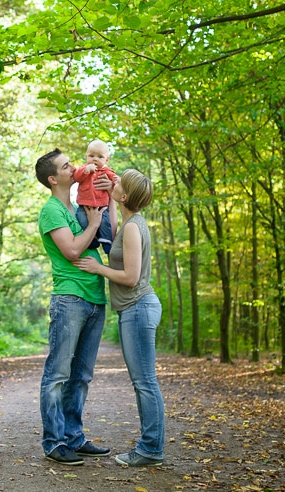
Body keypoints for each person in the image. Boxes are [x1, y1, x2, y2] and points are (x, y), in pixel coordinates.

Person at [74, 169, 165, 467]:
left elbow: (130, 276)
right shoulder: (128, 223)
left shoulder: (134, 228)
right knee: (143, 381)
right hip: (134, 308)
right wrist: (108, 204)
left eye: (119, 183)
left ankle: (151, 449)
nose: (114, 181)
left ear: (125, 196)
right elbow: (111, 234)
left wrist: (98, 269)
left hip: (139, 307)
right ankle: (151, 447)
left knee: (145, 382)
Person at [34, 148, 115, 466]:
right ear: (54, 178)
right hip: (69, 298)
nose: (75, 167)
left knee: (81, 376)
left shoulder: (81, 204)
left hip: (95, 297)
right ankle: (54, 442)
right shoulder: (52, 210)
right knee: (58, 374)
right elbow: (71, 251)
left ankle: (74, 437)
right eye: (67, 166)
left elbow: (112, 233)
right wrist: (94, 225)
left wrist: (107, 205)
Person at [73, 139, 116, 255]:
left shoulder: (106, 171)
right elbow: (76, 177)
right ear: (86, 156)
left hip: (102, 205)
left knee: (105, 223)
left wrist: (115, 181)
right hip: (84, 204)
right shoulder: (83, 169)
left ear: (106, 159)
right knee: (81, 219)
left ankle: (106, 240)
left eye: (100, 157)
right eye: (91, 156)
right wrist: (86, 171)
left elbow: (115, 179)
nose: (95, 159)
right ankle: (92, 239)